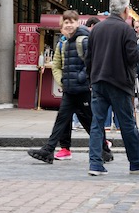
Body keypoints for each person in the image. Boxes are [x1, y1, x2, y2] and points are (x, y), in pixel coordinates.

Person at [28, 11, 113, 164]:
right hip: (70, 90)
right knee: (61, 121)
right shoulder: (66, 42)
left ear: (77, 23)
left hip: (82, 90)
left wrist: (80, 78)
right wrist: (64, 80)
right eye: (66, 22)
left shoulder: (83, 40)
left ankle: (105, 151)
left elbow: (93, 62)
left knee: (90, 121)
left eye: (71, 22)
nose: (69, 25)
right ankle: (48, 150)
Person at [85, 0, 139, 175]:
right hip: (119, 83)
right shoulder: (126, 30)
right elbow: (132, 57)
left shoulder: (96, 29)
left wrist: (91, 80)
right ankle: (137, 162)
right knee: (127, 124)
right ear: (126, 10)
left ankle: (95, 164)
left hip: (99, 82)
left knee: (97, 124)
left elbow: (88, 58)